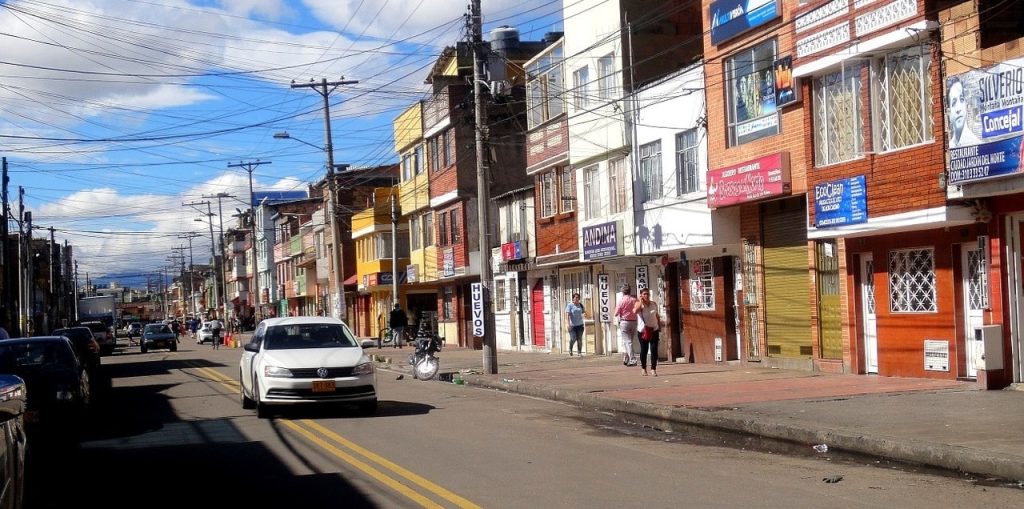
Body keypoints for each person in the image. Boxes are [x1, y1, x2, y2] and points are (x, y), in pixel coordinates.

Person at [947, 76, 981, 148]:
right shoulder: (950, 147)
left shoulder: (976, 143)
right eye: (954, 103)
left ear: (966, 104)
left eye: (961, 100)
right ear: (949, 113)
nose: (958, 109)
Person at [635, 287, 662, 376]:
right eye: (644, 294)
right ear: (641, 295)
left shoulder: (653, 304)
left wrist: (659, 326)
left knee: (654, 349)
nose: (646, 295)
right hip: (643, 331)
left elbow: (657, 316)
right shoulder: (639, 305)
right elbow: (635, 311)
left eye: (648, 294)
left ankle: (653, 369)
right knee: (644, 350)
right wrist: (640, 301)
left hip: (654, 329)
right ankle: (643, 368)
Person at [613, 284, 638, 366]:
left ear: (623, 292)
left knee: (627, 342)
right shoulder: (634, 300)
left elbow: (616, 313)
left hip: (624, 322)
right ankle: (626, 358)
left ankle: (633, 359)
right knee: (629, 341)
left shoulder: (621, 301)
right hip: (634, 321)